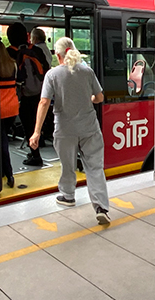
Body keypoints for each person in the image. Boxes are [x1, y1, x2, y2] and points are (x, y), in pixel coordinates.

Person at [29, 37, 111, 225]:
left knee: (67, 164)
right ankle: (101, 207)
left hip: (65, 129)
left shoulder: (52, 75)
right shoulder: (87, 71)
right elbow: (99, 97)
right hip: (89, 128)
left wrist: (36, 132)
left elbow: (44, 102)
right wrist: (89, 99)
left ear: (57, 55)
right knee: (95, 168)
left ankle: (68, 196)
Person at [6, 23, 51, 167]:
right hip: (41, 93)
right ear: (26, 35)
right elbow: (46, 70)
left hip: (22, 96)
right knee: (36, 123)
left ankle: (35, 155)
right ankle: (36, 150)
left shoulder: (9, 53)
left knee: (28, 126)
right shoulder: (36, 50)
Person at [0, 40, 19, 190]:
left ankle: (8, 174)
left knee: (1, 143)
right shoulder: (12, 65)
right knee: (3, 140)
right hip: (12, 108)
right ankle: (4, 171)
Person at [31, 28, 56, 142]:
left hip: (39, 83)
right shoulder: (46, 48)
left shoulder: (36, 50)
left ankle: (38, 135)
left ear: (35, 38)